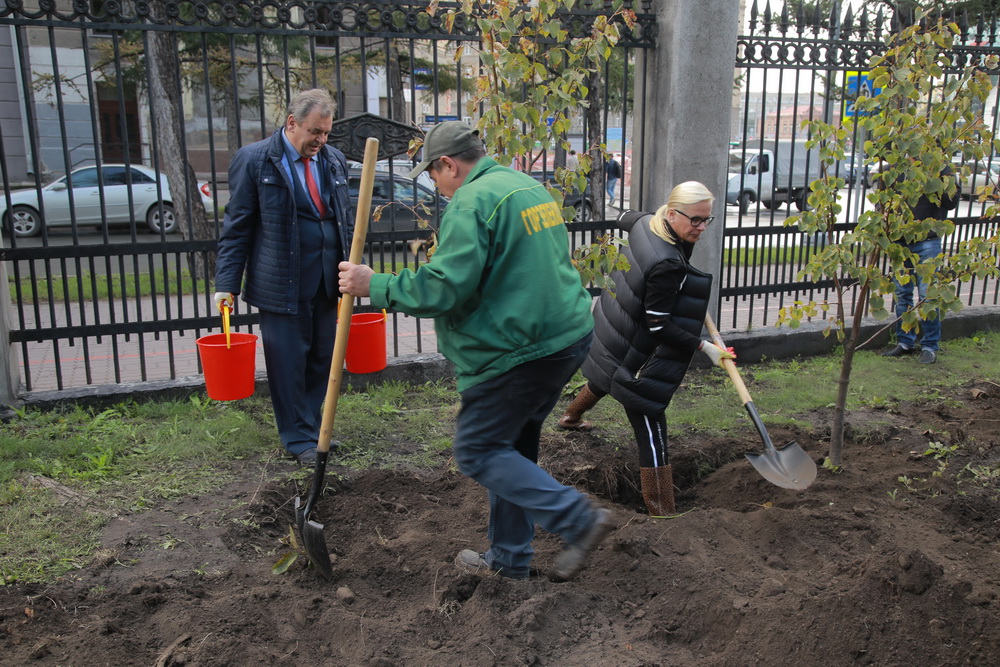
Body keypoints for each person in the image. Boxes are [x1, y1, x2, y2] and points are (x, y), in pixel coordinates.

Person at [338, 120, 614, 582]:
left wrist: (375, 284)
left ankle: (578, 519)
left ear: (449, 164)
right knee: (512, 447)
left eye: (432, 173)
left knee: (479, 450)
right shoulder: (524, 186)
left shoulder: (473, 199)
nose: (435, 184)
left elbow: (444, 288)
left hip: (519, 351)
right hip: (565, 335)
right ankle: (510, 559)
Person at [556, 182, 735, 518]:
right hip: (634, 349)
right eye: (695, 220)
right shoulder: (668, 262)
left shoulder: (644, 223)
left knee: (604, 376)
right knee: (651, 423)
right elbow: (659, 326)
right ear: (671, 214)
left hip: (613, 329)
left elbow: (622, 217)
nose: (701, 228)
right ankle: (662, 509)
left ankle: (570, 417)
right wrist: (704, 346)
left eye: (706, 220)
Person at [213, 89, 354, 465]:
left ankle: (309, 428)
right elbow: (237, 225)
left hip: (328, 278)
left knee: (323, 357)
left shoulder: (334, 160)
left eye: (326, 133)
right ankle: (297, 438)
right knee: (289, 360)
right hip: (282, 280)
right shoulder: (256, 160)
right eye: (314, 132)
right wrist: (225, 283)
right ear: (291, 123)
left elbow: (343, 220)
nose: (321, 141)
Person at [879, 164, 960, 365]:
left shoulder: (941, 169)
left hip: (928, 240)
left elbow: (951, 203)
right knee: (902, 294)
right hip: (899, 241)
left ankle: (929, 346)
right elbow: (882, 201)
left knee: (928, 296)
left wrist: (937, 177)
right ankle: (905, 342)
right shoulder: (894, 167)